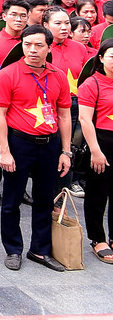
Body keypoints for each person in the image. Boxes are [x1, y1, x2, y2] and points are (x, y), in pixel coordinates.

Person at [0, 24, 72, 272]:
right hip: (19, 142)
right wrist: (4, 151)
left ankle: (40, 249)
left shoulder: (58, 75)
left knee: (45, 200)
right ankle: (13, 249)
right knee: (12, 200)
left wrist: (65, 150)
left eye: (38, 45)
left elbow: (65, 114)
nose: (32, 50)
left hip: (50, 144)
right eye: (27, 45)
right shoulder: (8, 74)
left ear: (49, 47)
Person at [79, 39, 113, 264]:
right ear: (101, 58)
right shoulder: (93, 83)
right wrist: (95, 150)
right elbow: (84, 118)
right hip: (102, 142)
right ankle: (97, 238)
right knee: (97, 194)